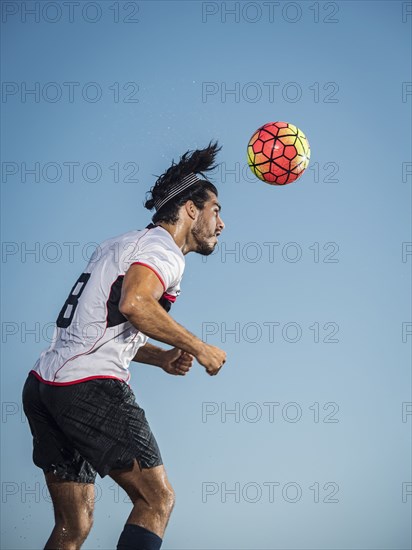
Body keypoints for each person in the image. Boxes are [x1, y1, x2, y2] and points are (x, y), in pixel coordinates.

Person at [22, 142, 227, 550]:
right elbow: (135, 303)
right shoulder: (162, 251)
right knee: (156, 499)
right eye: (215, 210)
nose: (220, 224)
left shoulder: (119, 243)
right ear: (190, 209)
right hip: (90, 388)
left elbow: (103, 323)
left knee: (71, 528)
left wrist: (162, 356)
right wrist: (199, 347)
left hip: (44, 387)